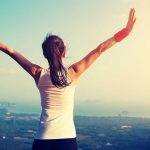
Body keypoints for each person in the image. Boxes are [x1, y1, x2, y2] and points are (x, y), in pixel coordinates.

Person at [0, 8, 136, 150]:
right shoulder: (74, 72)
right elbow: (100, 49)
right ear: (64, 51)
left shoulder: (38, 73)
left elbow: (9, 50)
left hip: (43, 139)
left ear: (45, 54)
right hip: (67, 140)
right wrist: (125, 32)